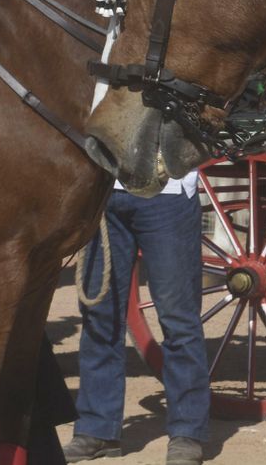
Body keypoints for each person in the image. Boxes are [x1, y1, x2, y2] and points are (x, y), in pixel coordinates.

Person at [63, 169, 208, 464]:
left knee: (178, 317)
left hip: (166, 190)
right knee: (98, 314)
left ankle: (187, 431)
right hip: (104, 192)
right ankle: (97, 429)